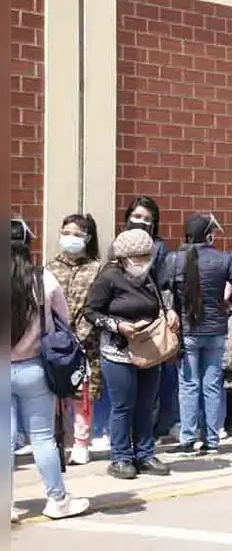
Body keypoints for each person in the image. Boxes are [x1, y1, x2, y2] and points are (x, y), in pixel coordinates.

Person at [10, 219, 91, 521]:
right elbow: (63, 321)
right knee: (42, 438)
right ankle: (58, 500)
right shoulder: (44, 279)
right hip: (35, 369)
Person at [84, 229, 179, 479]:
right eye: (138, 257)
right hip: (118, 352)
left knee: (146, 405)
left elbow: (160, 302)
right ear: (124, 257)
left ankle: (145, 454)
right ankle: (121, 457)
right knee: (123, 406)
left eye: (147, 256)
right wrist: (119, 326)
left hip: (149, 350)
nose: (143, 261)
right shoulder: (109, 277)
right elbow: (91, 313)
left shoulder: (149, 277)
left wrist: (168, 313)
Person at [163, 215, 232, 455]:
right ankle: (212, 440)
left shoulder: (174, 259)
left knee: (188, 385)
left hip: (188, 329)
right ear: (209, 235)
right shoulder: (224, 259)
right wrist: (229, 303)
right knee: (212, 386)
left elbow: (162, 287)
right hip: (216, 329)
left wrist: (173, 309)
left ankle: (188, 438)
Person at [44, 214, 103, 466]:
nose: (71, 238)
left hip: (86, 343)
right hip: (55, 343)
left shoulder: (97, 268)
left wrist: (82, 332)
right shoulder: (49, 268)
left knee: (83, 396)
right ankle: (58, 442)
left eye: (77, 234)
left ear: (87, 239)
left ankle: (81, 444)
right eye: (66, 232)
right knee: (55, 396)